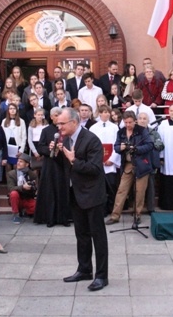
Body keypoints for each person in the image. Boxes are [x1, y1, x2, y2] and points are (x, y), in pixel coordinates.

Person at [53, 107, 108, 291]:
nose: (58, 126)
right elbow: (64, 166)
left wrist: (73, 160)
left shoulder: (91, 140)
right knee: (81, 235)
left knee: (97, 236)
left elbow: (94, 168)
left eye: (62, 123)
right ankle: (84, 269)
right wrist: (57, 154)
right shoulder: (66, 139)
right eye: (58, 123)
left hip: (92, 194)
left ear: (74, 123)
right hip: (75, 193)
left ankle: (101, 276)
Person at [104, 110, 153, 225]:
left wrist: (136, 149)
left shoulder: (141, 131)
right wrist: (119, 148)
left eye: (130, 122)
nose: (128, 125)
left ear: (135, 121)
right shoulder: (120, 132)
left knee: (140, 191)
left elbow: (150, 145)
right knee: (121, 190)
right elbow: (115, 146)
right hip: (128, 164)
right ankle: (115, 216)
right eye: (126, 122)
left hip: (141, 164)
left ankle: (137, 215)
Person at [33, 107, 70, 227]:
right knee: (50, 191)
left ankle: (64, 218)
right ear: (51, 117)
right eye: (56, 115)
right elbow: (40, 147)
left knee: (63, 190)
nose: (58, 116)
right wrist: (49, 148)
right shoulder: (46, 130)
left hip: (64, 163)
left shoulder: (66, 129)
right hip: (50, 164)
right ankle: (50, 218)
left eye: (60, 114)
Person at [89, 106, 121, 216]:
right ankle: (101, 210)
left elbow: (117, 144)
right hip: (98, 162)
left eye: (108, 112)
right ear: (99, 113)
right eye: (104, 112)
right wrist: (98, 160)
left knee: (111, 186)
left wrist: (112, 159)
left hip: (110, 162)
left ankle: (112, 208)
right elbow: (91, 146)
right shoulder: (93, 128)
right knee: (99, 188)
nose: (106, 114)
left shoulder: (114, 127)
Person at [6, 153, 38, 224]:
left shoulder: (32, 174)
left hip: (27, 197)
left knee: (37, 207)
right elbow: (11, 188)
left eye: (21, 162)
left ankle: (26, 211)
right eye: (18, 161)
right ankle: (16, 215)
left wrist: (32, 187)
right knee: (13, 193)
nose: (18, 163)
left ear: (27, 164)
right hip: (17, 198)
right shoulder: (11, 174)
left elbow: (36, 189)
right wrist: (23, 187)